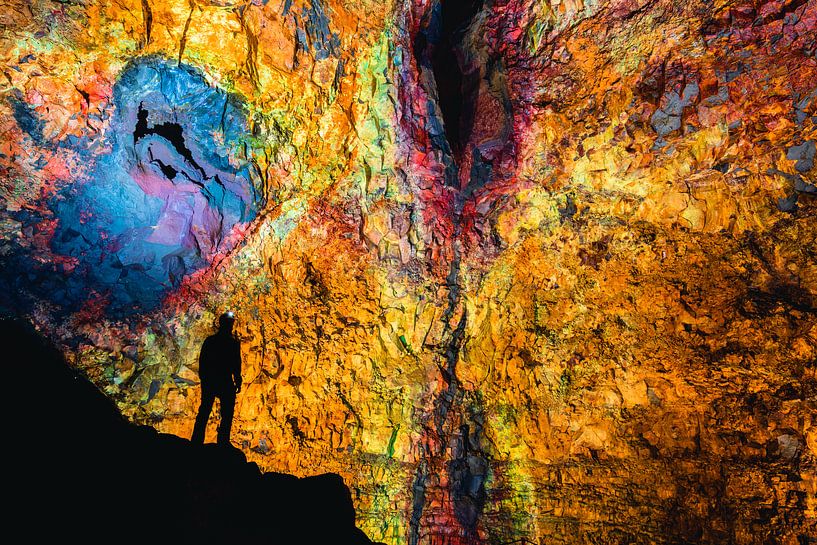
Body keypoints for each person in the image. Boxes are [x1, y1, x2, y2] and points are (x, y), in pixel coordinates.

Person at [191, 311, 242, 445]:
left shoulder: (211, 341)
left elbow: (203, 361)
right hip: (224, 380)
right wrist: (238, 380)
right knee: (226, 414)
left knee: (205, 411)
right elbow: (236, 364)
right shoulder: (233, 343)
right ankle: (223, 442)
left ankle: (196, 441)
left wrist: (204, 379)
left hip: (211, 380)